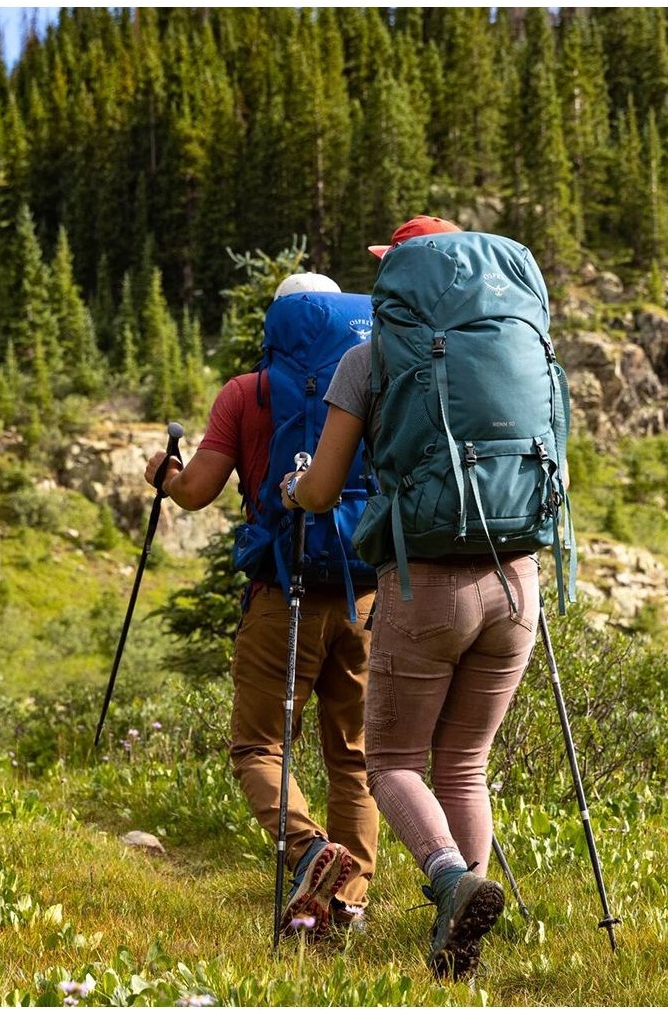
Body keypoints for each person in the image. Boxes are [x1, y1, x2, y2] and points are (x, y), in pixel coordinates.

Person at [280, 216, 540, 978]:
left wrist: (297, 489)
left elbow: (325, 486)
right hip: (518, 579)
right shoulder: (515, 346)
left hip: (426, 579)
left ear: (399, 273)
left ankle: (452, 881)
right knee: (465, 761)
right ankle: (459, 932)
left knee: (390, 759)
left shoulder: (369, 358)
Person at [144, 271, 379, 938]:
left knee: (259, 747)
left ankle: (310, 854)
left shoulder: (247, 393)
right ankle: (350, 901)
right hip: (363, 592)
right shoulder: (367, 380)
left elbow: (197, 492)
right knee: (355, 755)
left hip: (283, 591)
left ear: (275, 324)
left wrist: (166, 475)